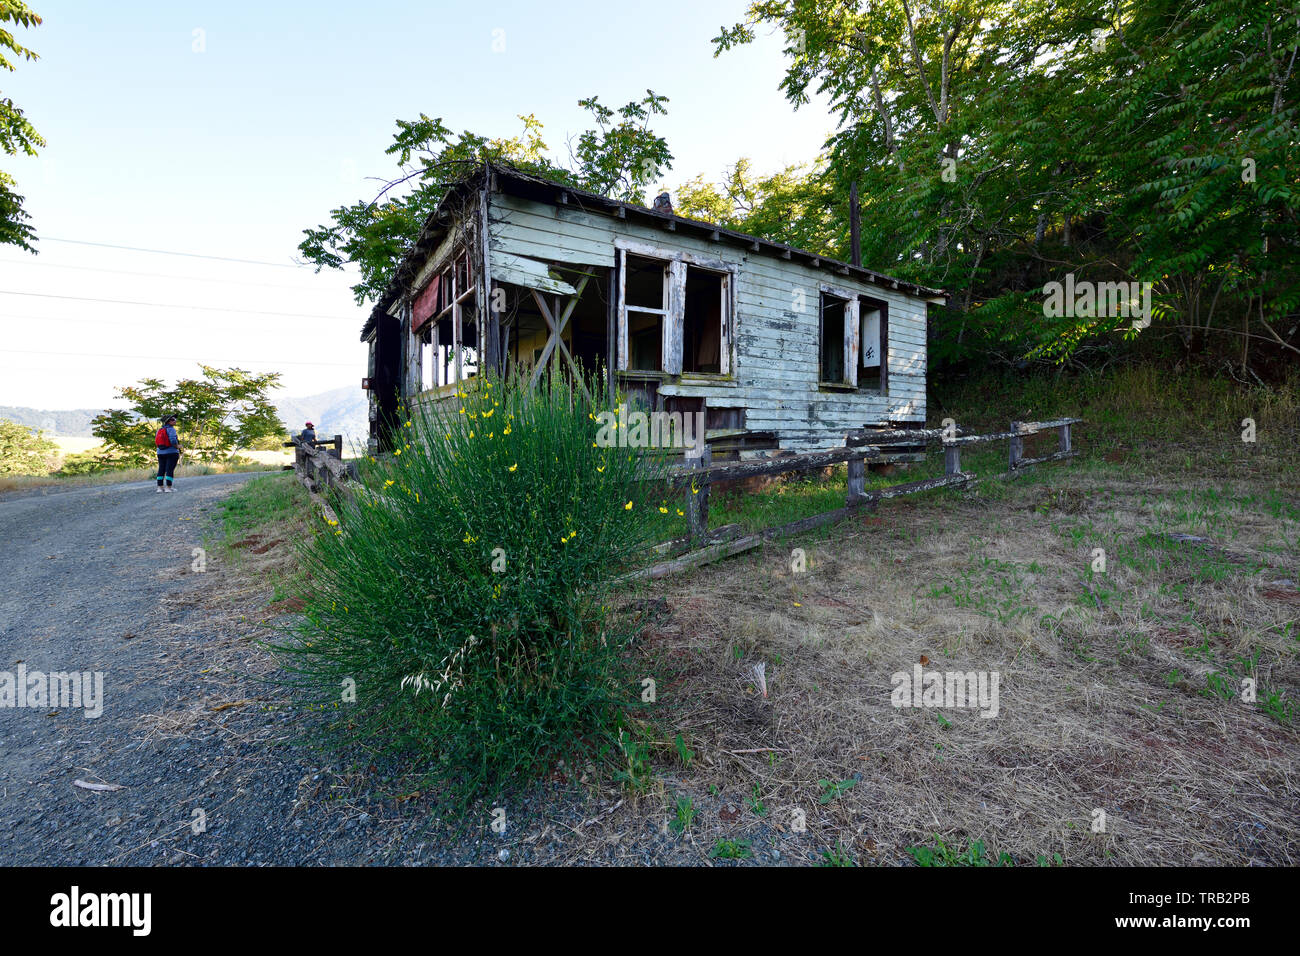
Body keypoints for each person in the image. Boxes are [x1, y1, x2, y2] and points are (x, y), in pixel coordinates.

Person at [155, 415, 182, 493]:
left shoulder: (159, 430)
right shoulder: (171, 429)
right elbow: (173, 440)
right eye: (173, 419)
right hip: (171, 452)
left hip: (160, 452)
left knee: (161, 469)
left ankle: (160, 488)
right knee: (169, 470)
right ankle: (168, 488)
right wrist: (177, 446)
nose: (175, 420)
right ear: (168, 421)